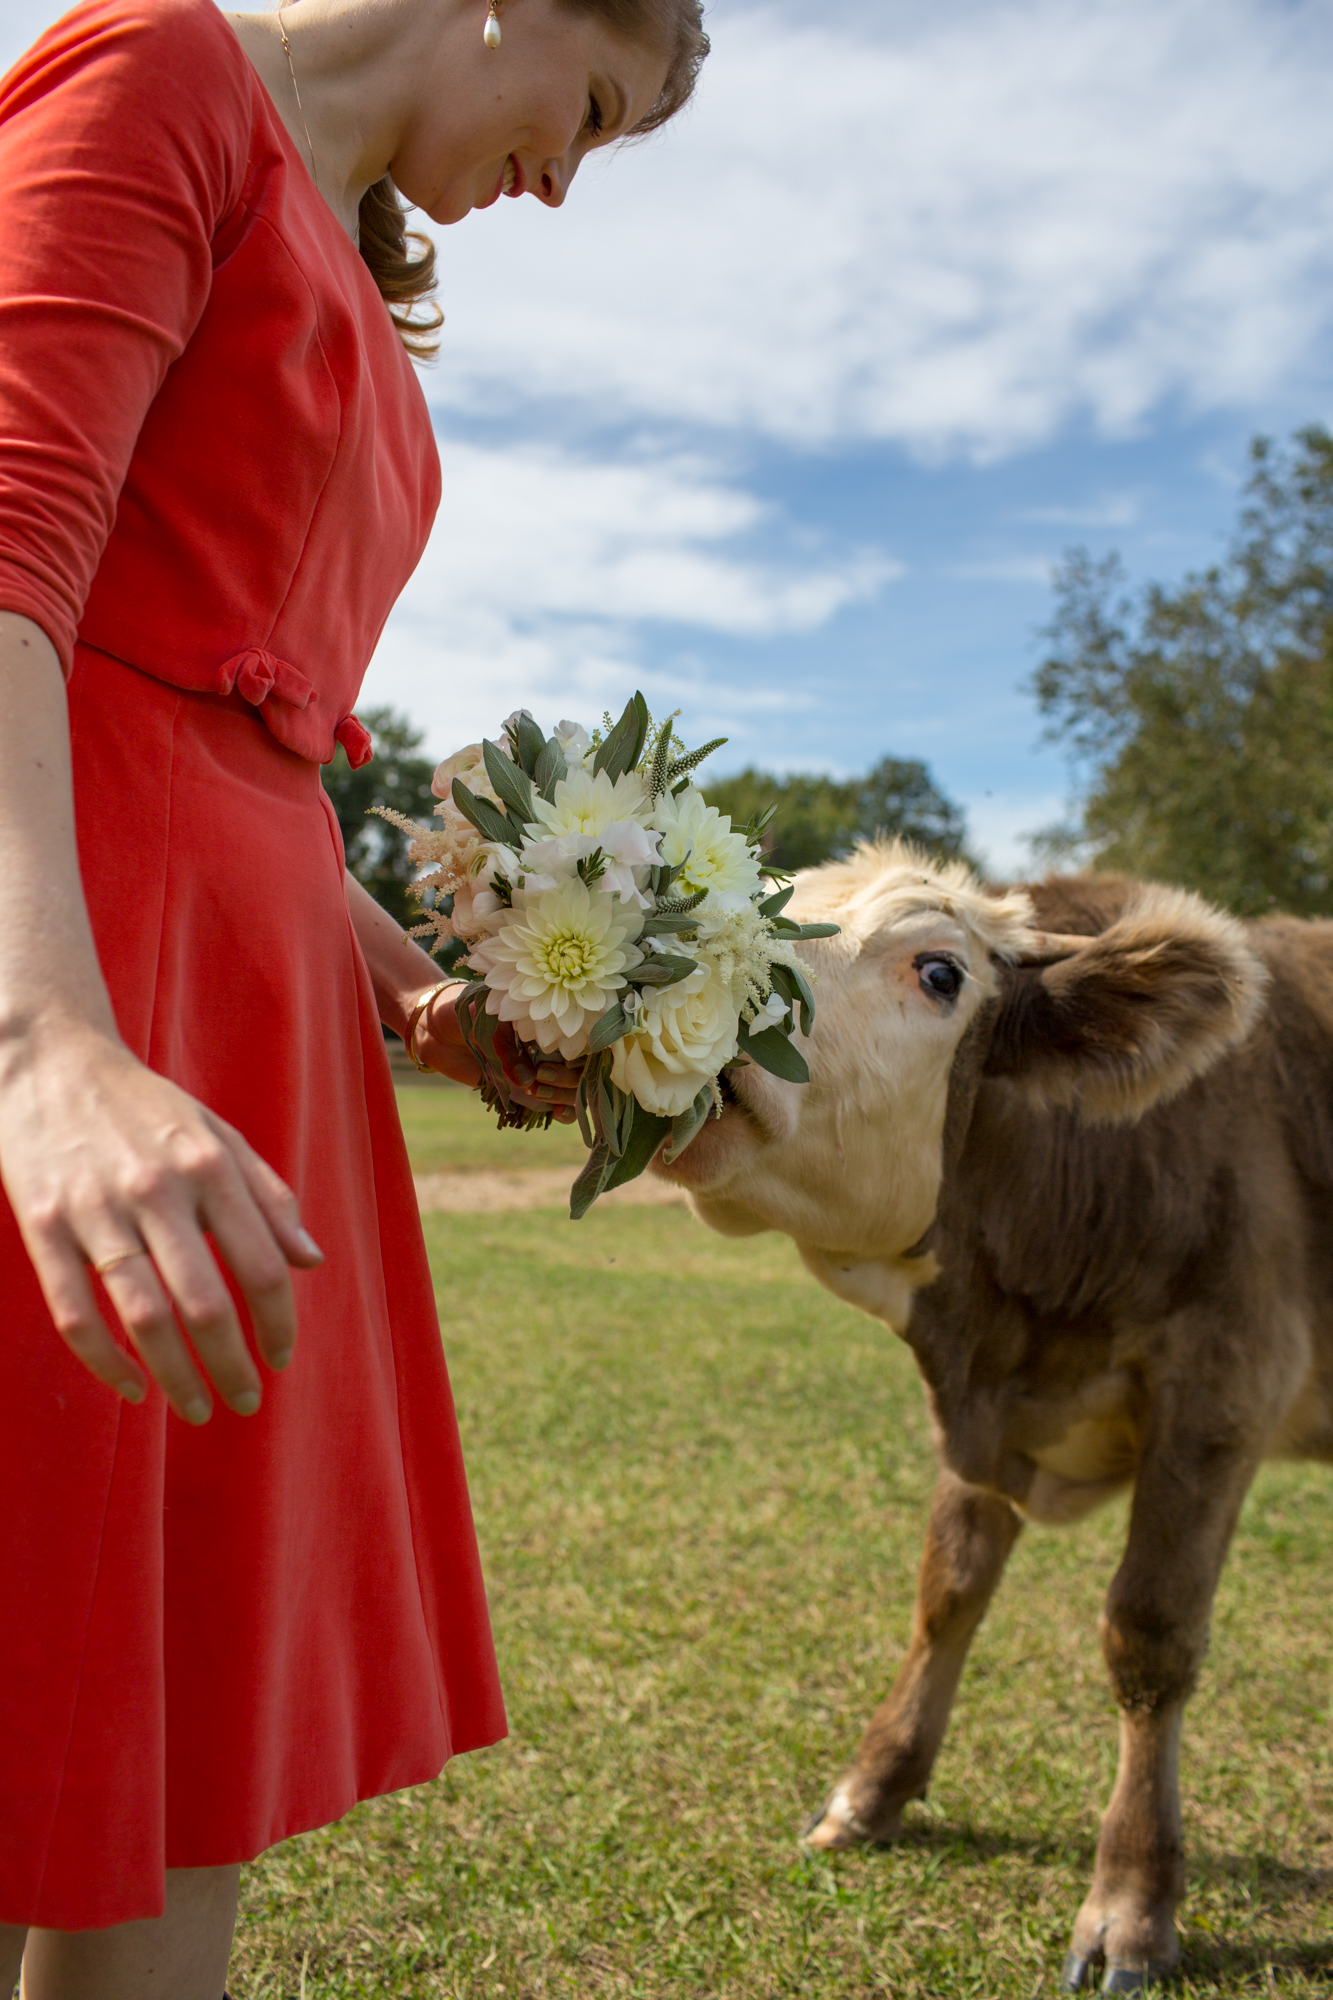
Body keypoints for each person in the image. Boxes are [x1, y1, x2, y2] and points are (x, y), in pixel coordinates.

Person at [0, 0, 707, 1990]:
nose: (564, 181)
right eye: (587, 108)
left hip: (245, 1021)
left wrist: (409, 994)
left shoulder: (355, 258)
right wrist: (41, 1040)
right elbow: (12, 563)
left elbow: (268, 757)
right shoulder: (159, 79)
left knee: (167, 1769)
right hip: (59, 954)